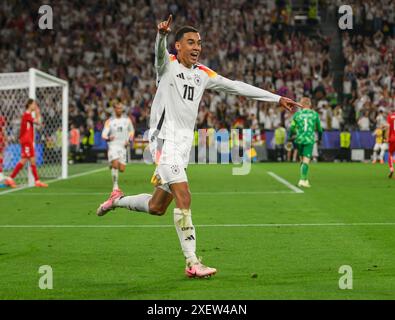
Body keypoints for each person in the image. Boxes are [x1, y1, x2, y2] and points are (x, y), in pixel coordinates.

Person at [96, 15, 302, 278]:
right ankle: (192, 262)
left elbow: (236, 87)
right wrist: (161, 35)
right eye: (190, 42)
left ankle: (117, 201)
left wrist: (276, 99)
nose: (196, 47)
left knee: (158, 207)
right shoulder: (167, 65)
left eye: (199, 43)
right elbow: (159, 54)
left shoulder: (203, 74)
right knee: (185, 197)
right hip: (164, 141)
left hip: (182, 146)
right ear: (178, 46)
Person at [5, 99, 48, 188]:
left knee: (32, 160)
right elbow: (38, 122)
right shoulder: (26, 115)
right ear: (29, 105)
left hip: (28, 140)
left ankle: (37, 181)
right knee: (24, 160)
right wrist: (38, 112)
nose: (35, 106)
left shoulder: (28, 115)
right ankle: (10, 178)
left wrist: (36, 113)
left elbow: (37, 124)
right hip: (26, 140)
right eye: (34, 104)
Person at [288, 97, 323, 188]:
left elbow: (292, 128)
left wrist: (289, 137)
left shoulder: (297, 114)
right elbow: (319, 129)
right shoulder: (314, 114)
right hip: (309, 140)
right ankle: (302, 180)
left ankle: (304, 179)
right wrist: (320, 138)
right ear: (310, 104)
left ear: (301, 104)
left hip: (299, 139)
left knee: (301, 160)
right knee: (306, 160)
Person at [101, 100, 135, 191]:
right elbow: (103, 134)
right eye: (118, 108)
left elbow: (131, 131)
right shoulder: (109, 121)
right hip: (113, 145)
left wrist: (129, 140)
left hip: (123, 146)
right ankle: (115, 186)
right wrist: (108, 138)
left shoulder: (127, 120)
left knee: (122, 169)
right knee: (115, 165)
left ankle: (111, 163)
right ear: (114, 109)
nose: (120, 110)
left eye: (121, 108)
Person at [386, 108, 395, 178]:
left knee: (390, 154)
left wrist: (387, 138)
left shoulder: (390, 116)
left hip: (392, 138)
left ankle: (391, 169)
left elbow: (388, 128)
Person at [0, 114, 6, 182]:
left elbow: (3, 130)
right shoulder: (1, 117)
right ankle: (0, 174)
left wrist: (5, 139)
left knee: (1, 155)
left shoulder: (1, 118)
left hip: (1, 138)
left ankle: (0, 174)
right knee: (1, 156)